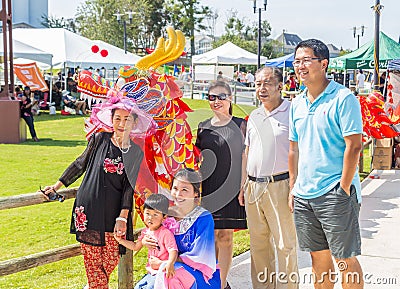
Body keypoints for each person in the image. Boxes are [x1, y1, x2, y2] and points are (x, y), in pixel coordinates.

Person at [41, 97, 156, 289]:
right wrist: (56, 186)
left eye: (127, 119)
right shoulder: (99, 139)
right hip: (88, 210)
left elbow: (129, 186)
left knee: (109, 260)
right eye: (117, 118)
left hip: (116, 214)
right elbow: (79, 164)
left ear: (134, 122)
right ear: (111, 120)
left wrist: (123, 216)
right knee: (94, 266)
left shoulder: (136, 152)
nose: (121, 123)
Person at [289, 39, 364, 288]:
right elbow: (294, 148)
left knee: (344, 260)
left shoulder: (343, 98)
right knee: (317, 259)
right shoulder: (297, 103)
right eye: (297, 61)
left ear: (323, 64)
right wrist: (293, 187)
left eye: (306, 60)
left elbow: (354, 146)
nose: (300, 66)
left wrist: (343, 189)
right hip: (304, 194)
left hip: (335, 193)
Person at [239, 67, 298, 289]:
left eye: (267, 83)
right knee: (259, 246)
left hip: (281, 186)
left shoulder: (292, 112)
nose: (261, 88)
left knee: (285, 245)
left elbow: (300, 151)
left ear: (280, 85)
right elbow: (247, 152)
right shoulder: (254, 116)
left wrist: (294, 186)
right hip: (253, 187)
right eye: (257, 84)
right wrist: (242, 185)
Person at [195, 81, 247, 289]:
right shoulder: (202, 128)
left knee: (225, 236)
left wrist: (243, 186)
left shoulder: (241, 124)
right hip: (209, 189)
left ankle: (222, 283)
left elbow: (245, 157)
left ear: (230, 98)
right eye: (212, 97)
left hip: (233, 187)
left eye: (221, 96)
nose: (216, 101)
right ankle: (212, 280)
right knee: (211, 236)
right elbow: (197, 161)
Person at [139, 168, 221, 289]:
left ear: (196, 193)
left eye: (184, 190)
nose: (178, 194)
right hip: (168, 268)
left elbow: (200, 256)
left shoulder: (203, 218)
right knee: (143, 286)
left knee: (170, 280)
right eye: (175, 189)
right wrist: (145, 240)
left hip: (199, 273)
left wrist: (164, 263)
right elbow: (154, 233)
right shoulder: (166, 215)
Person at [115, 194, 178, 289]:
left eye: (155, 214)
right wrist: (120, 240)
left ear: (164, 217)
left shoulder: (165, 233)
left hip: (163, 271)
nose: (150, 218)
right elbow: (135, 246)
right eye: (147, 213)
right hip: (151, 272)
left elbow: (173, 250)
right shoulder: (146, 232)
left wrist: (169, 263)